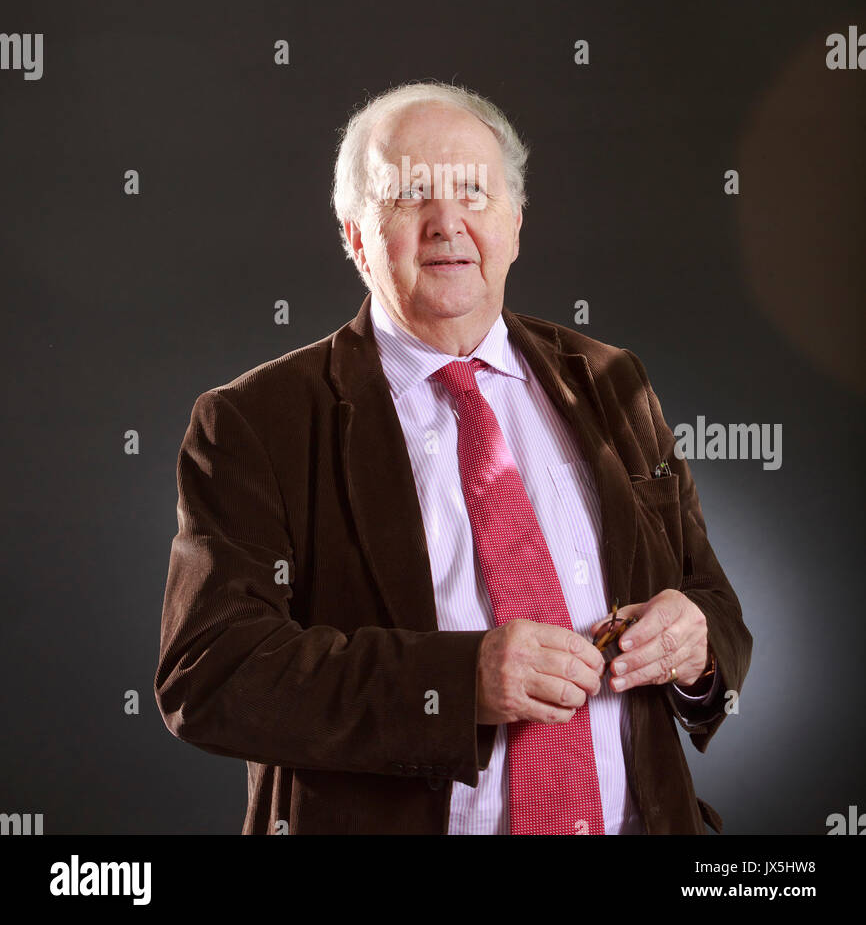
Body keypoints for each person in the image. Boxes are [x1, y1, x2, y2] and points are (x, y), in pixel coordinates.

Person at [155, 80, 752, 834]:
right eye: (409, 196)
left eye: (474, 191)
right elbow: (211, 674)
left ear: (515, 221)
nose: (448, 224)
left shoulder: (611, 381)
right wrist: (456, 684)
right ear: (356, 234)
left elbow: (713, 600)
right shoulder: (254, 421)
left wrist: (693, 643)